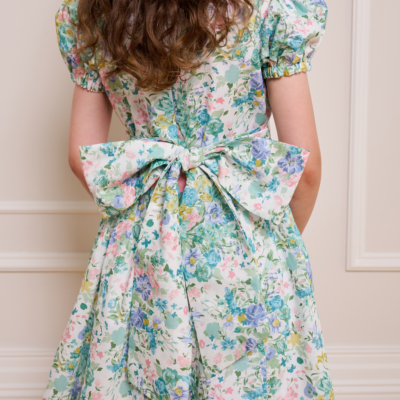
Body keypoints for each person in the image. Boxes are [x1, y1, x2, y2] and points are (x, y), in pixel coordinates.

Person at [43, 0, 334, 399]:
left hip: (143, 239)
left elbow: (83, 158)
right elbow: (307, 169)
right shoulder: (269, 9)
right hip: (244, 237)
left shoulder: (95, 12)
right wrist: (274, 244)